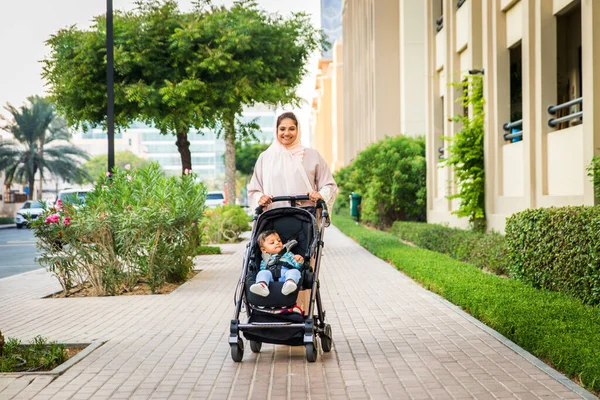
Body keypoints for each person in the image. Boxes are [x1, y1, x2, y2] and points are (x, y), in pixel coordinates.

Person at [247, 111, 338, 212]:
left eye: (291, 129)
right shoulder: (265, 158)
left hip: (306, 218)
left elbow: (329, 185)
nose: (286, 133)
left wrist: (320, 195)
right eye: (282, 129)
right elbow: (254, 190)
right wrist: (260, 198)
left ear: (298, 130)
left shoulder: (312, 155)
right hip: (273, 217)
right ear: (276, 130)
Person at [250, 230, 304, 297]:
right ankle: (262, 285)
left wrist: (299, 261)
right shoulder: (265, 259)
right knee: (262, 273)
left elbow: (296, 267)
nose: (277, 243)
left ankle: (290, 283)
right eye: (272, 242)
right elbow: (263, 269)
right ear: (264, 250)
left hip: (286, 275)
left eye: (279, 241)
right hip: (271, 277)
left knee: (295, 272)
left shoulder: (288, 254)